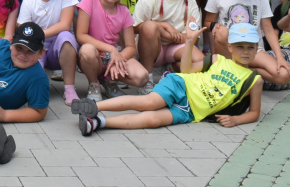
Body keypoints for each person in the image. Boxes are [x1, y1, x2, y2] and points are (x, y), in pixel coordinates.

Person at [72, 23, 264, 135]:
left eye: (250, 47)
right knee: (149, 102)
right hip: (182, 85)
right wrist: (189, 41)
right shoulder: (217, 59)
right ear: (230, 47)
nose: (245, 52)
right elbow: (187, 69)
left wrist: (236, 120)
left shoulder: (254, 80)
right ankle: (94, 106)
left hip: (192, 111)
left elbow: (254, 113)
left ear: (257, 48)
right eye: (240, 46)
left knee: (154, 120)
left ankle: (97, 123)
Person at [203, 0, 290, 86]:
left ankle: (242, 72)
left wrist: (279, 57)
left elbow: (268, 29)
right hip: (229, 50)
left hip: (254, 49)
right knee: (222, 32)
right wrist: (216, 27)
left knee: (283, 75)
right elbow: (208, 22)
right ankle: (233, 69)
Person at [76, 0, 150, 100]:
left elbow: (130, 47)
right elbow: (81, 35)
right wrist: (112, 50)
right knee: (87, 51)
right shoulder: (89, 1)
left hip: (115, 55)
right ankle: (94, 83)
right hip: (95, 54)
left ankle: (110, 81)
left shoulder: (124, 11)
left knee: (142, 77)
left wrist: (118, 58)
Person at [132, 0, 203, 94]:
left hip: (176, 47)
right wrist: (162, 27)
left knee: (200, 60)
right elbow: (135, 27)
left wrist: (173, 38)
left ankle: (175, 71)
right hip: (152, 47)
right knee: (150, 26)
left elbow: (193, 37)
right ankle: (148, 77)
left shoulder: (191, 2)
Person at [16, 0, 79, 104]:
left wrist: (37, 35)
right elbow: (22, 30)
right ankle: (35, 86)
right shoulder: (29, 2)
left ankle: (69, 88)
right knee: (36, 79)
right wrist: (36, 41)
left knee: (67, 37)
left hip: (57, 47)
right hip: (37, 48)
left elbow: (65, 24)